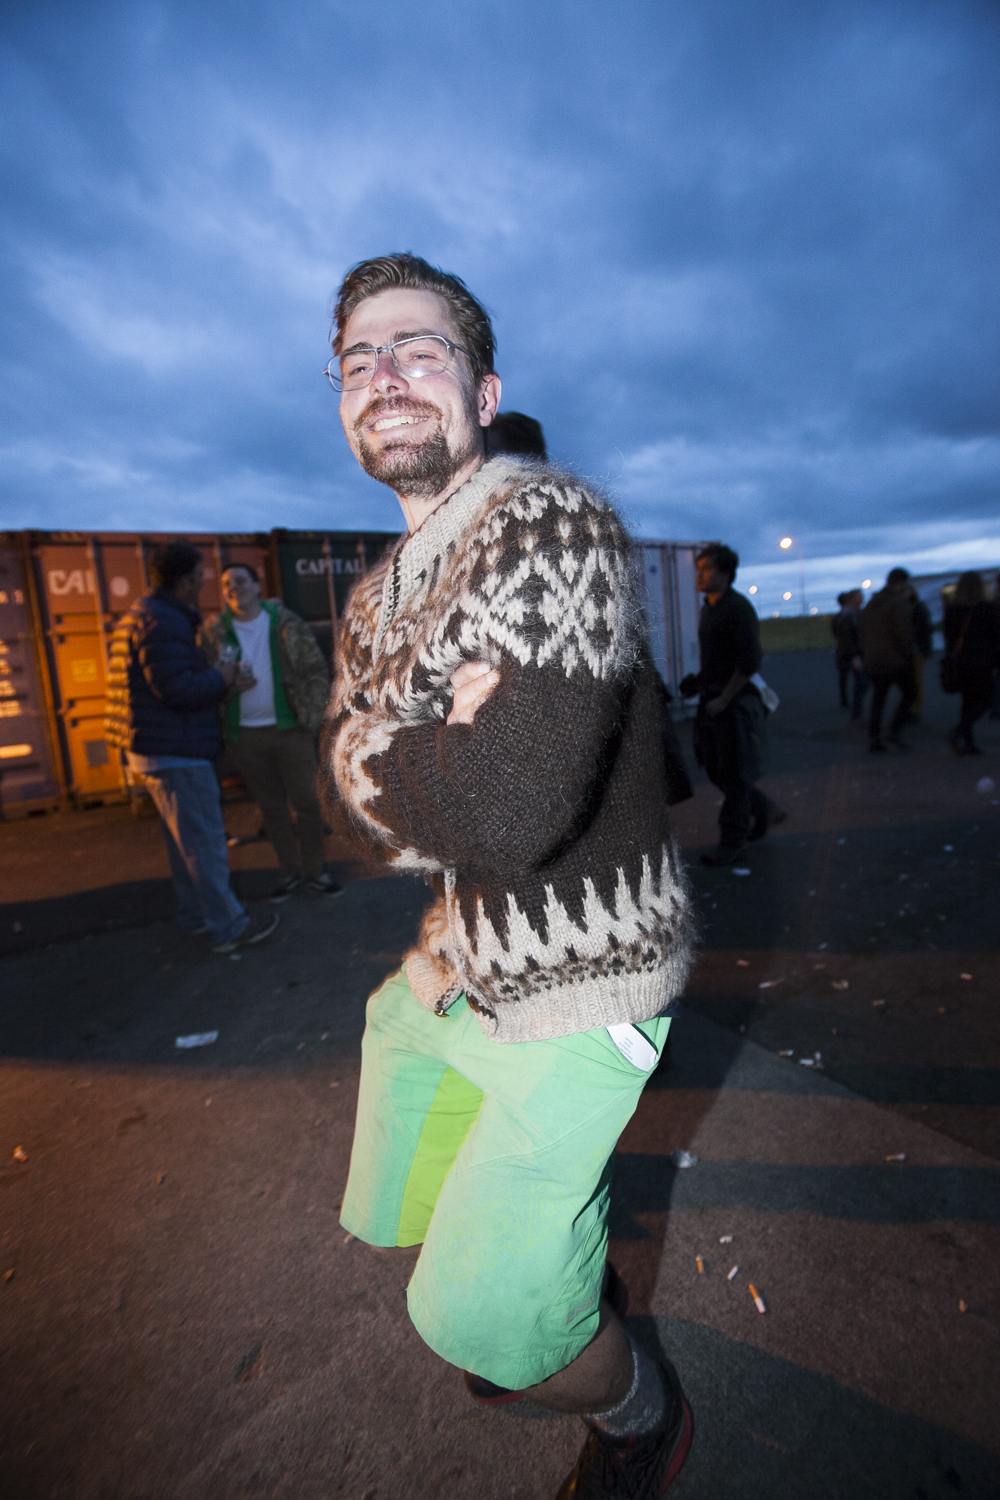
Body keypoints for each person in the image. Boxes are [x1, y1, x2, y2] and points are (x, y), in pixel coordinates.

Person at [318, 253, 694, 1497]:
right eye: (359, 359)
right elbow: (349, 798)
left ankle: (638, 1414)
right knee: (390, 1131)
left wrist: (391, 753)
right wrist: (423, 756)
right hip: (469, 949)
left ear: (483, 393)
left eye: (418, 349)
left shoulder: (548, 524)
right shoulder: (379, 598)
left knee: (470, 1317)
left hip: (585, 975)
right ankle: (552, 1289)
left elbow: (509, 805)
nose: (385, 374)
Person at [104, 542, 280, 953]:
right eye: (200, 576)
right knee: (204, 844)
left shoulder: (143, 613)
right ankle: (229, 926)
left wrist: (214, 677)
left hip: (156, 749)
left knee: (184, 845)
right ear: (185, 581)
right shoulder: (164, 621)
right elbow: (176, 689)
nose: (203, 584)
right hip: (177, 750)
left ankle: (197, 915)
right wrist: (221, 677)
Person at [202, 564, 340, 901]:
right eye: (226, 583)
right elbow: (206, 676)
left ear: (256, 585)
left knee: (308, 803)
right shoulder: (214, 631)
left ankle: (315, 872)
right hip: (245, 736)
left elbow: (315, 669)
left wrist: (314, 715)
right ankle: (290, 873)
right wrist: (226, 686)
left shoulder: (285, 623)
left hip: (290, 730)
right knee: (272, 808)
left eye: (240, 581)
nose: (233, 587)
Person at [679, 543, 786, 865]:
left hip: (733, 703)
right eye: (698, 569)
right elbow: (716, 661)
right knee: (715, 769)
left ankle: (733, 842)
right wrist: (696, 684)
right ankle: (764, 809)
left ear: (726, 573)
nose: (699, 575)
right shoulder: (709, 608)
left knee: (735, 774)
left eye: (707, 569)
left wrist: (724, 699)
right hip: (712, 699)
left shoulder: (738, 608)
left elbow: (749, 662)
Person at [857, 567, 916, 753]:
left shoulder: (873, 603)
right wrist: (908, 654)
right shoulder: (898, 603)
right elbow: (903, 632)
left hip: (874, 658)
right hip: (894, 658)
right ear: (901, 583)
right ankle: (894, 730)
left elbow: (862, 630)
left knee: (879, 698)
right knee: (910, 693)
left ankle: (874, 737)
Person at [943, 570, 1000, 755]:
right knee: (986, 700)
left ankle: (968, 741)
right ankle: (958, 731)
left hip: (961, 661)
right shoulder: (986, 608)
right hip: (982, 661)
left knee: (967, 701)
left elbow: (949, 638)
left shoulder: (952, 610)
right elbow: (995, 636)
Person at [831, 590, 867, 718]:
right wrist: (856, 655)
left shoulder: (839, 617)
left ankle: (845, 701)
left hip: (843, 652)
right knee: (858, 679)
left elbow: (835, 633)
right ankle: (854, 708)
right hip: (850, 652)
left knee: (844, 677)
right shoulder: (851, 616)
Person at [908, 585, 933, 724]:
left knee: (916, 681)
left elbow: (924, 629)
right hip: (913, 650)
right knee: (913, 681)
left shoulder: (917, 608)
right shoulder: (917, 607)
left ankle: (914, 710)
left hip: (915, 650)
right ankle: (912, 709)